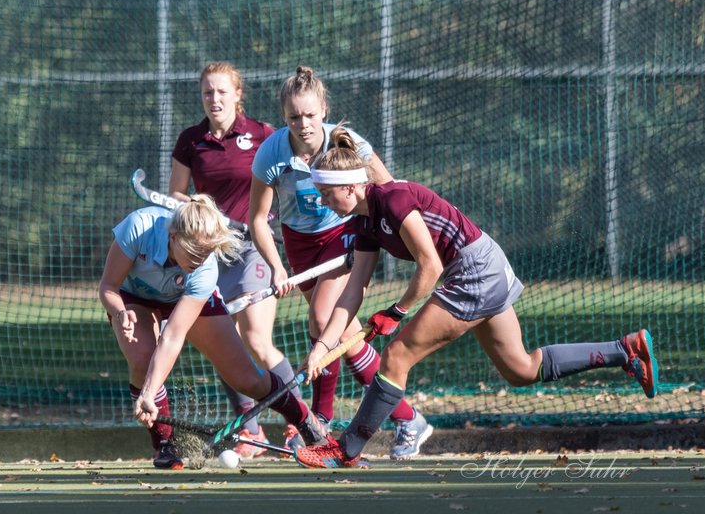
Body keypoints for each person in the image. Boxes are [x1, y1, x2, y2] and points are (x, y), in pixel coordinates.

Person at [293, 126, 658, 469]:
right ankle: (625, 350)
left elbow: (430, 266)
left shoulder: (392, 200)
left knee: (397, 356)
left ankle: (346, 449)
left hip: (473, 271)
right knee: (521, 369)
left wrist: (398, 310)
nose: (323, 202)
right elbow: (354, 290)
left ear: (352, 186)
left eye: (326, 192)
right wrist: (322, 347)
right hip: (479, 267)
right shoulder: (364, 222)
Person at [249, 65, 431, 458]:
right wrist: (278, 267)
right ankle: (407, 417)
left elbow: (390, 190)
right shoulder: (272, 154)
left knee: (321, 319)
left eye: (311, 115)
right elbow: (257, 221)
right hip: (299, 245)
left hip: (346, 234)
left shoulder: (347, 143)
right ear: (284, 117)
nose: (304, 124)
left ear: (324, 110)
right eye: (295, 117)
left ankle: (320, 420)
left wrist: (382, 235)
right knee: (343, 334)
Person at [98, 195, 323, 469]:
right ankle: (165, 444)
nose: (198, 261)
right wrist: (120, 311)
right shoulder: (138, 227)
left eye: (204, 254)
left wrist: (149, 391)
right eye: (193, 253)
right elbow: (108, 286)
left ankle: (306, 422)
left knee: (247, 379)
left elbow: (173, 336)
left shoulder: (204, 268)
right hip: (133, 298)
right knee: (142, 359)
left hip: (185, 299)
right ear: (173, 235)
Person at [169, 62, 292, 458]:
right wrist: (205, 212)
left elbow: (285, 179)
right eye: (207, 92)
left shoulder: (262, 134)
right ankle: (250, 434)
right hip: (211, 251)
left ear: (238, 95)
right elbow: (176, 195)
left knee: (256, 339)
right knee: (227, 344)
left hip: (254, 245)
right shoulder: (191, 139)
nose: (214, 99)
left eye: (222, 92)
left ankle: (301, 422)